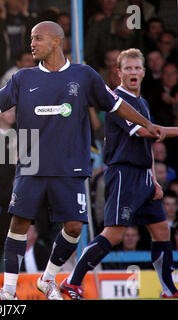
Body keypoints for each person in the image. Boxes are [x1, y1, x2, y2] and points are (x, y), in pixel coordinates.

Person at [0, 21, 163, 300]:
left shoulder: (84, 75)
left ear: (56, 42)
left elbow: (115, 105)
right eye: (31, 39)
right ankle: (7, 291)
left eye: (37, 39)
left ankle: (47, 279)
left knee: (75, 227)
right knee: (18, 223)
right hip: (32, 164)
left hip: (71, 166)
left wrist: (147, 125)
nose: (32, 44)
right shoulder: (22, 78)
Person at [61, 48, 178, 299]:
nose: (133, 72)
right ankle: (73, 281)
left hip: (143, 176)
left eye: (137, 68)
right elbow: (147, 133)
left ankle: (169, 289)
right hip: (124, 173)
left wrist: (154, 180)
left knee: (161, 231)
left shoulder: (143, 102)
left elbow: (146, 145)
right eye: (128, 68)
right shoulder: (117, 101)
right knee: (114, 233)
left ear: (144, 72)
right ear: (119, 72)